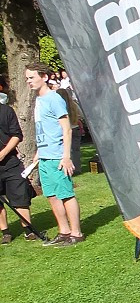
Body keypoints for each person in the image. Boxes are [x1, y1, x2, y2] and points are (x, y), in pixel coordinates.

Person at [25, 62, 83, 245]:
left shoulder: (54, 99)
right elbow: (44, 128)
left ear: (44, 77)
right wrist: (38, 152)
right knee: (51, 195)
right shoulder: (38, 100)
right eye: (27, 78)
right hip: (44, 156)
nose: (29, 81)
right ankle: (64, 231)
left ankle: (77, 233)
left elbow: (66, 129)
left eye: (32, 77)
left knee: (66, 194)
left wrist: (66, 156)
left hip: (58, 156)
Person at [0, 99, 35, 244]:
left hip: (10, 162)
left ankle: (28, 230)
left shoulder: (6, 111)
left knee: (20, 196)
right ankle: (5, 233)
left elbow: (16, 135)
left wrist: (3, 153)